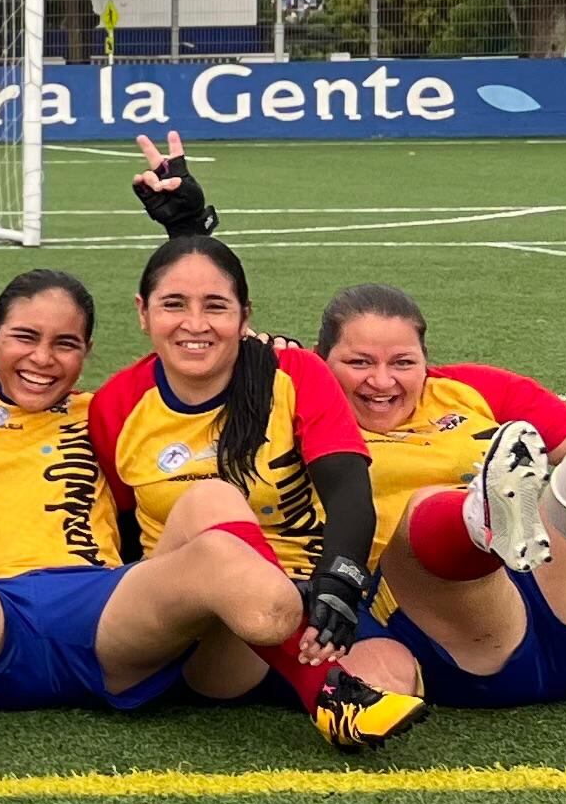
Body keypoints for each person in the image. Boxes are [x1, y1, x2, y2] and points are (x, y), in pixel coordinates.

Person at [0, 136, 417, 741]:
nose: (41, 359)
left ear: (88, 353)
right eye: (23, 338)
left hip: (110, 613)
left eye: (65, 344)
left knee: (213, 500)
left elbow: (209, 337)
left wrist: (190, 229)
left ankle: (327, 692)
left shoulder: (100, 409)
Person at [314, 282, 566, 709]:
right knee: (422, 511)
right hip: (449, 638)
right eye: (359, 362)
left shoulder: (469, 389)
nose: (382, 380)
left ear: (426, 361)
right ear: (321, 360)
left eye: (403, 362)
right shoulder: (300, 404)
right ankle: (478, 517)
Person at [82, 229, 416, 742]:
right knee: (213, 501)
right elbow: (124, 524)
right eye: (174, 304)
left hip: (307, 609)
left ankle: (316, 681)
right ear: (143, 312)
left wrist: (341, 585)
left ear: (245, 316)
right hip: (205, 634)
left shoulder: (294, 372)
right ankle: (325, 693)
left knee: (396, 671)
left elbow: (350, 489)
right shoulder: (116, 403)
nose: (195, 324)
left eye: (215, 306)